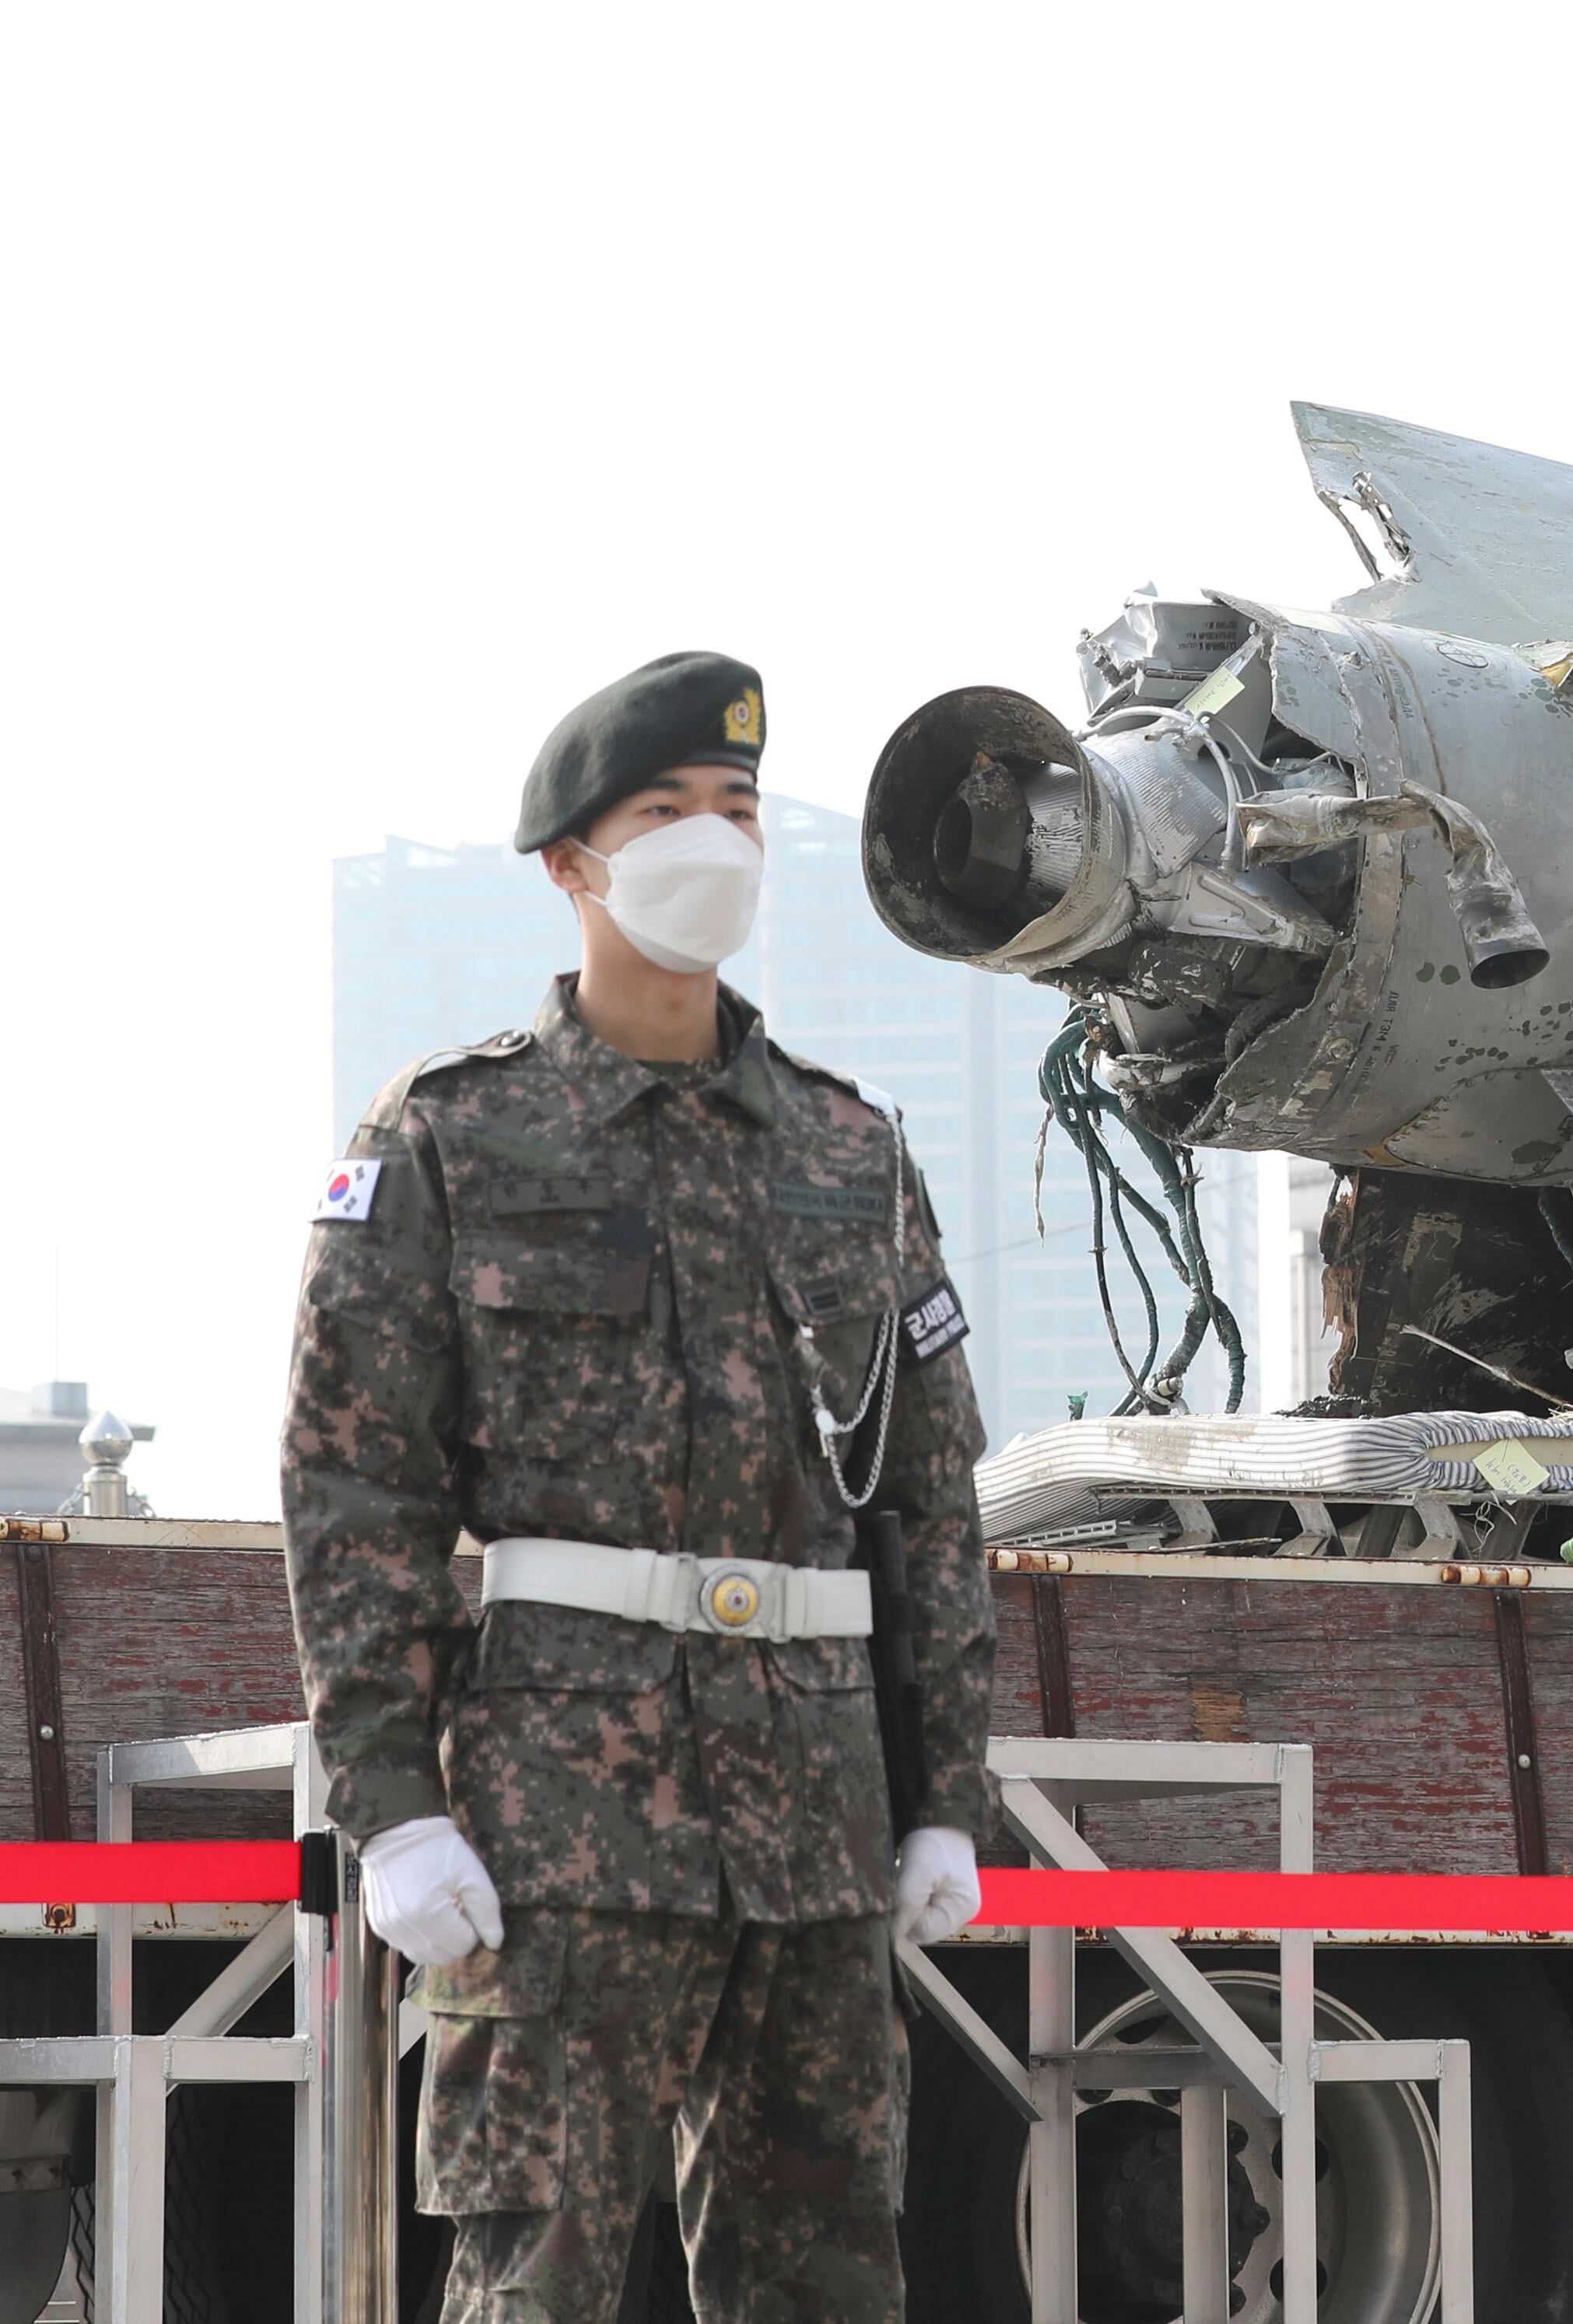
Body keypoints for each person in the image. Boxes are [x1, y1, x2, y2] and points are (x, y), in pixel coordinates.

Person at [282, 650, 999, 2321]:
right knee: (536, 2280)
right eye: (665, 812)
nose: (712, 844)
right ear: (571, 863)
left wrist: (945, 1786)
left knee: (827, 2280)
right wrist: (389, 1804)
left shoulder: (852, 1149)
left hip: (816, 1828)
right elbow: (353, 1483)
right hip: (560, 1827)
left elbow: (932, 1495)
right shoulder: (454, 1133)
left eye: (737, 810)